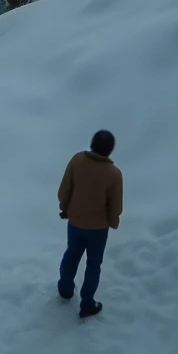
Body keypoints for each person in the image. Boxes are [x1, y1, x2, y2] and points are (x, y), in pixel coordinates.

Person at [57, 130, 122, 318]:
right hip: (99, 229)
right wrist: (113, 221)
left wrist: (65, 207)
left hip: (75, 222)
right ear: (110, 151)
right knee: (94, 264)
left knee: (72, 253)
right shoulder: (114, 174)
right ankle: (87, 304)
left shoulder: (77, 161)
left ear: (92, 144)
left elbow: (64, 189)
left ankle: (65, 289)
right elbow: (116, 205)